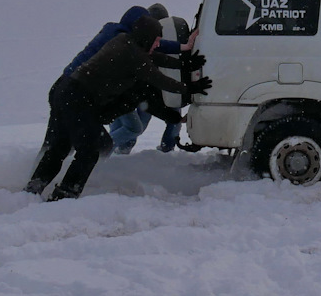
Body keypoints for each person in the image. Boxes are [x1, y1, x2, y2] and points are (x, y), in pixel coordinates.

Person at [28, 14, 209, 200]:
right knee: (90, 150)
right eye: (156, 40)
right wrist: (190, 88)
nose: (157, 44)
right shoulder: (133, 56)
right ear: (146, 37)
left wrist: (184, 63)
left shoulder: (125, 42)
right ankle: (65, 194)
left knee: (61, 148)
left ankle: (32, 190)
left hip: (67, 93)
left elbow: (155, 57)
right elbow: (158, 78)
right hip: (77, 99)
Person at [109, 10, 195, 153]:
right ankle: (109, 151)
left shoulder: (147, 43)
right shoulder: (141, 46)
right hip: (138, 92)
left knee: (133, 126)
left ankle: (117, 151)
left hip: (143, 93)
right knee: (134, 126)